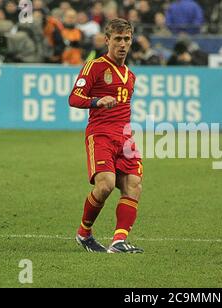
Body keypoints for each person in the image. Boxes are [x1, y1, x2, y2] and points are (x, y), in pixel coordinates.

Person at [69, 18, 144, 254]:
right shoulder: (95, 67)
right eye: (118, 39)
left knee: (134, 184)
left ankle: (119, 241)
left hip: (125, 136)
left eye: (127, 39)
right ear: (107, 40)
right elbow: (74, 98)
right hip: (100, 134)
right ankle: (84, 233)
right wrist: (96, 101)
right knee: (106, 186)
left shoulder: (129, 75)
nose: (122, 44)